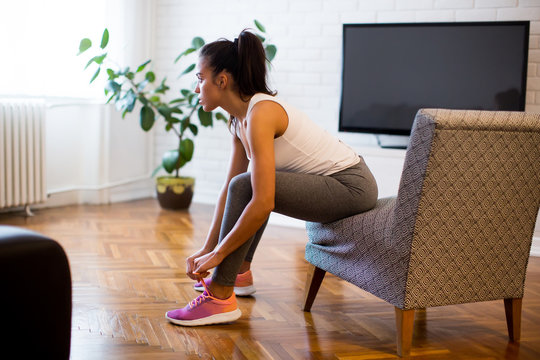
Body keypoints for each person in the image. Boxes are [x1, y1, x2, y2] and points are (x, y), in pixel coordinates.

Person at [165, 29, 378, 326]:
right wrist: (208, 248)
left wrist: (219, 255)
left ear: (222, 80)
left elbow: (261, 200)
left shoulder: (261, 114)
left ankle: (220, 296)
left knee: (252, 187)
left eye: (200, 79)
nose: (196, 88)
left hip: (351, 185)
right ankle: (239, 273)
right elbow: (229, 190)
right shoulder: (240, 121)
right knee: (249, 184)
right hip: (341, 183)